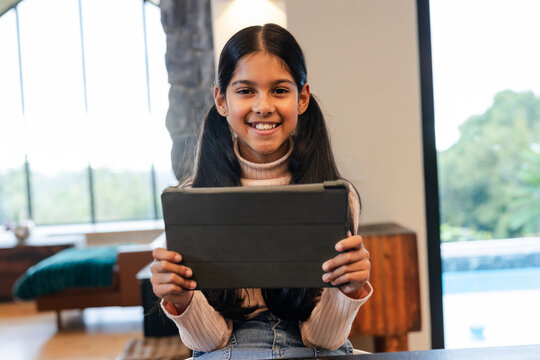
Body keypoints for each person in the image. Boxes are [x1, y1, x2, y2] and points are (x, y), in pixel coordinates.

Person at [150, 23, 372, 359]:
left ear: (303, 98)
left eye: (280, 90)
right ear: (221, 100)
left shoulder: (337, 199)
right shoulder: (194, 200)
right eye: (245, 91)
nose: (263, 106)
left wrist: (347, 292)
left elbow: (322, 339)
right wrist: (181, 301)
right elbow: (210, 342)